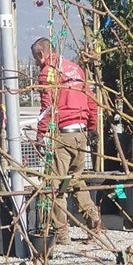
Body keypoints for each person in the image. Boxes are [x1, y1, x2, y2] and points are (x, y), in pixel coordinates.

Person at [31, 38, 101, 245]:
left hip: (63, 134)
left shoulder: (48, 72)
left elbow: (47, 106)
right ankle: (94, 219)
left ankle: (62, 233)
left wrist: (40, 134)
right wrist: (92, 126)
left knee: (56, 186)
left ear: (40, 55)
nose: (37, 64)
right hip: (80, 134)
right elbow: (90, 99)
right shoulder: (76, 70)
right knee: (77, 180)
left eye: (37, 59)